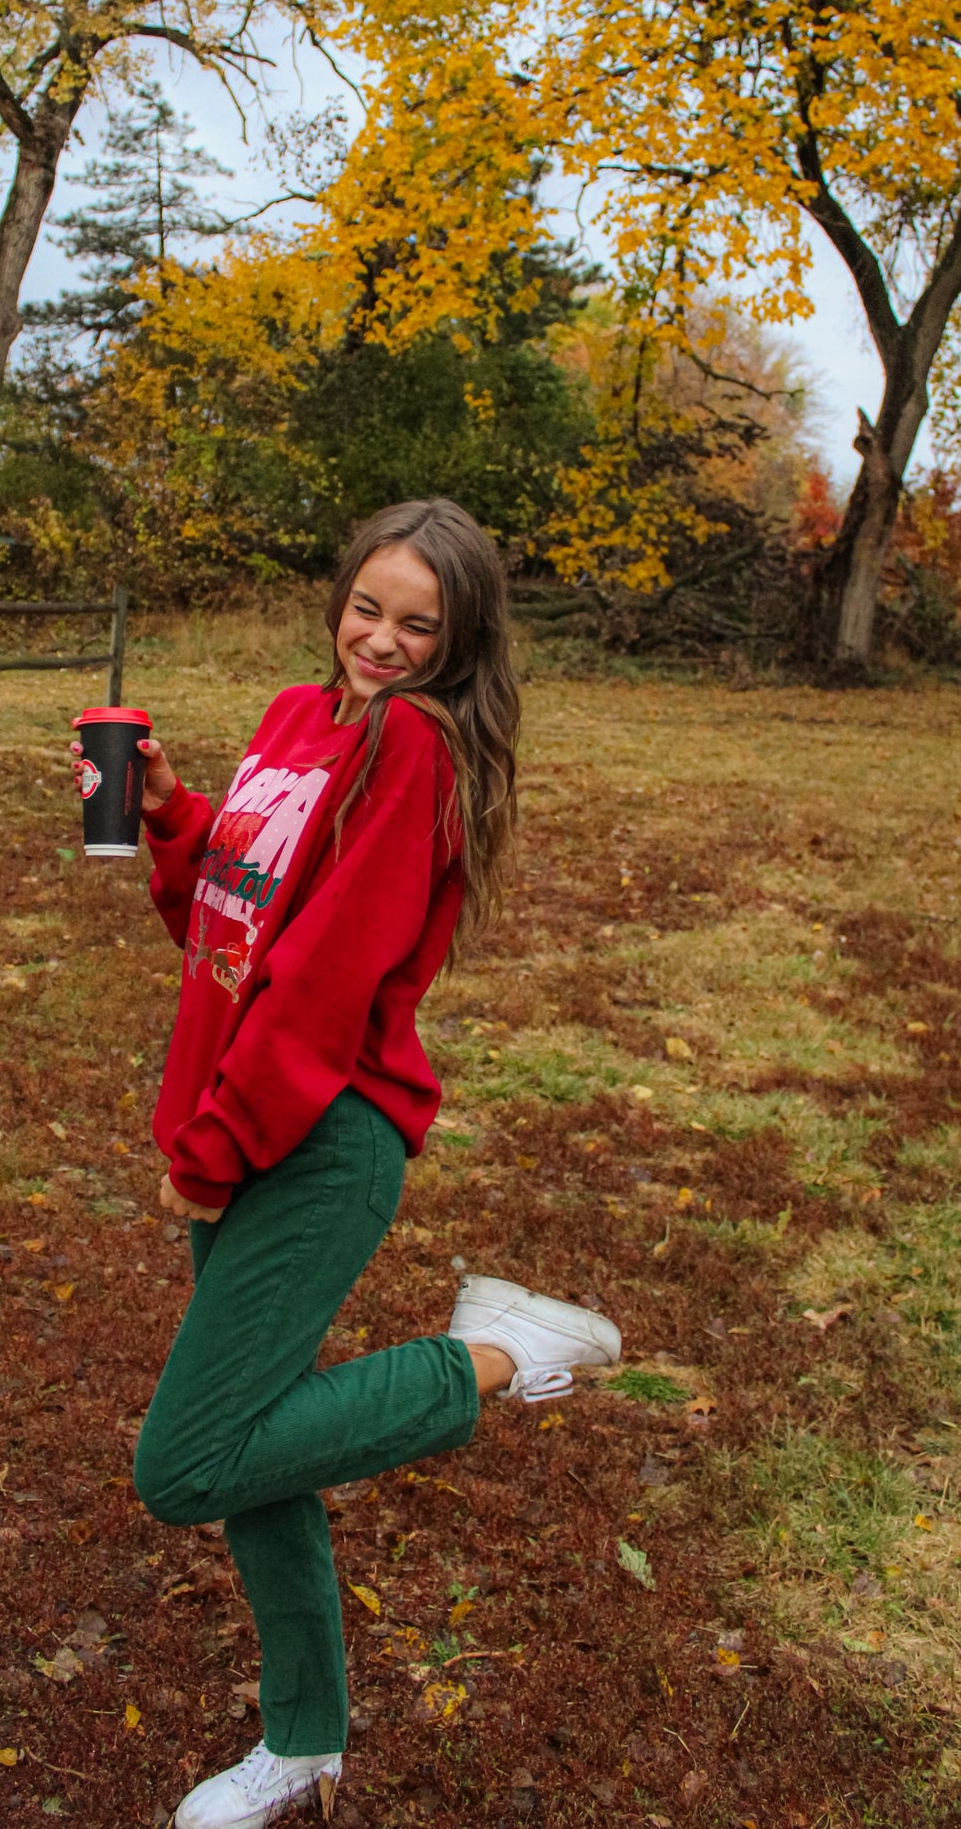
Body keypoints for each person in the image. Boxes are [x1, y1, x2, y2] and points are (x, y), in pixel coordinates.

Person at [127, 499, 622, 1829]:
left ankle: (505, 1350)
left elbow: (325, 978)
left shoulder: (411, 747)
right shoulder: (301, 716)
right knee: (254, 1450)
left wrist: (223, 1150)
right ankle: (303, 1742)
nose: (382, 641)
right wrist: (175, 816)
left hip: (314, 1134)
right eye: (367, 608)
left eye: (420, 624)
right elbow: (223, 918)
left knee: (184, 1464)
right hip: (237, 1115)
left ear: (460, 643)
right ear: (337, 597)